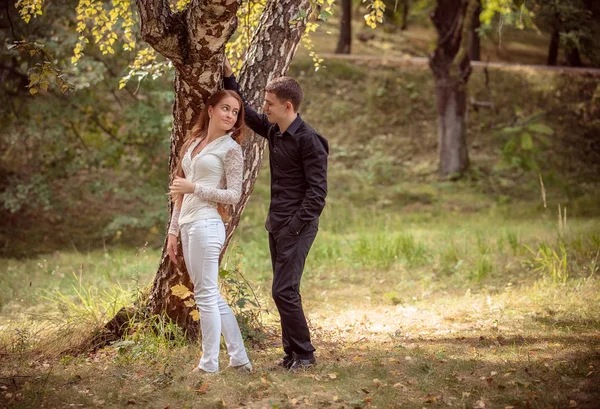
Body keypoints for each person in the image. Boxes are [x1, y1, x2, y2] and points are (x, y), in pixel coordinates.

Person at [223, 59, 328, 371]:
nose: (265, 108)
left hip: (298, 227)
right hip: (277, 224)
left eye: (270, 104)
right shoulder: (276, 131)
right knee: (285, 291)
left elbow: (317, 194)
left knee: (283, 290)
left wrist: (294, 227)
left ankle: (306, 355)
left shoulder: (310, 141)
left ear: (288, 105)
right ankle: (292, 354)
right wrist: (229, 76)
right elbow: (247, 114)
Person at [167, 90, 252, 374]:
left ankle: (209, 365)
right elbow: (179, 190)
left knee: (205, 295)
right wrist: (172, 232)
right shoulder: (194, 143)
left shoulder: (231, 149)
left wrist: (196, 188)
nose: (230, 115)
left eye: (235, 112)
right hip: (188, 224)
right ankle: (239, 359)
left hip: (207, 223)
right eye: (225, 108)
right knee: (210, 295)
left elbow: (234, 195)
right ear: (211, 109)